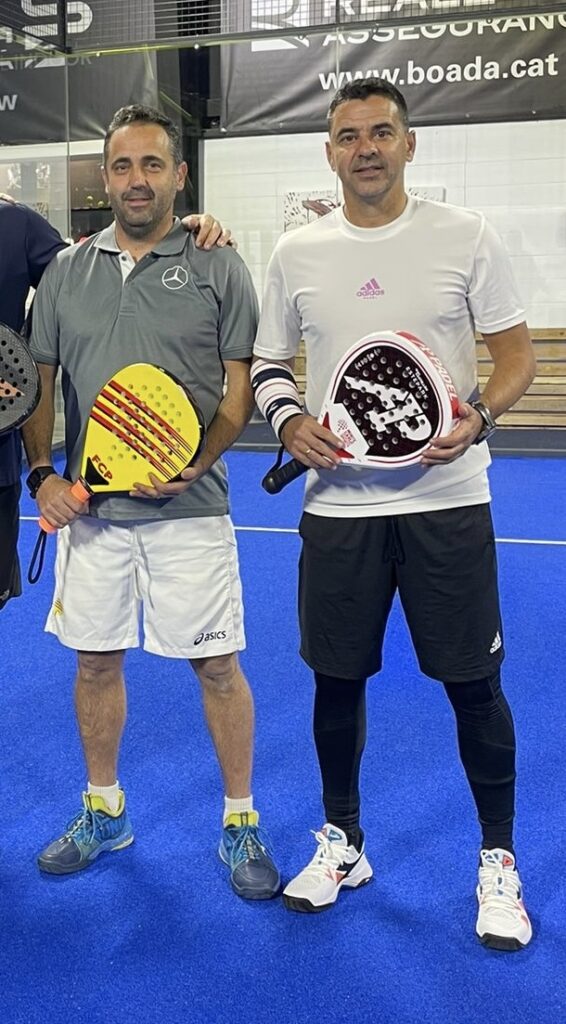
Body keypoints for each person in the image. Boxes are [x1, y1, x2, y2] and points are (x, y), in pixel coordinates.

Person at [251, 79, 536, 948]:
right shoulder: (296, 252)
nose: (365, 148)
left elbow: (516, 358)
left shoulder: (466, 237)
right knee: (336, 679)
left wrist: (478, 419)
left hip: (449, 502)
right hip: (339, 511)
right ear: (329, 152)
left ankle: (497, 862)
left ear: (410, 145)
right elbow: (269, 365)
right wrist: (290, 420)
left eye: (381, 133)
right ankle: (345, 843)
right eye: (347, 136)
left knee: (472, 685)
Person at [22, 104, 280, 900]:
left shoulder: (218, 265)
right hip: (93, 520)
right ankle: (105, 810)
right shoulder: (65, 271)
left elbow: (239, 394)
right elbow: (39, 384)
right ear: (105, 178)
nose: (138, 180)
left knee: (216, 666)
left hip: (191, 512)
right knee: (95, 662)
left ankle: (241, 821)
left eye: (153, 165)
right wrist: (43, 475)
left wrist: (195, 459)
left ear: (179, 174)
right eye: (123, 166)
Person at [0, 194, 234, 616]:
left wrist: (189, 233)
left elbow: (94, 272)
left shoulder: (16, 227)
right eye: (122, 166)